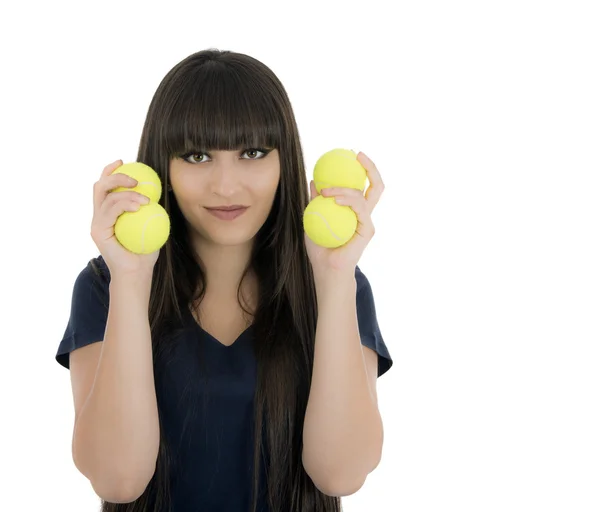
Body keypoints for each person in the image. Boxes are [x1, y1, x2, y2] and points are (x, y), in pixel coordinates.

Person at [55, 48, 393, 512]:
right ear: (163, 168)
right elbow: (118, 479)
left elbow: (340, 472)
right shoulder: (104, 286)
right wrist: (130, 281)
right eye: (197, 155)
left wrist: (335, 278)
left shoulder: (340, 286)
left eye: (252, 152)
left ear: (283, 160)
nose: (226, 186)